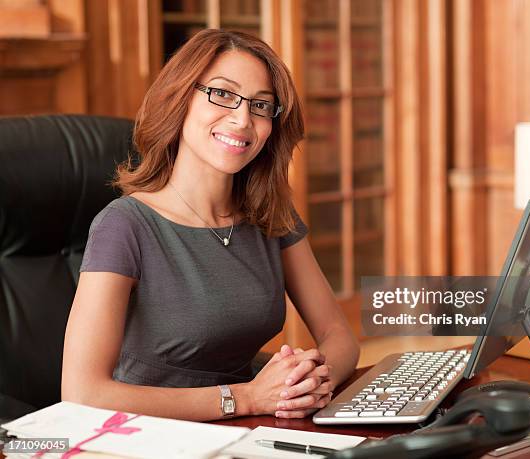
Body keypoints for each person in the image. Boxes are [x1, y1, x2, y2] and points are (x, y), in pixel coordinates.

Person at [61, 29, 360, 422]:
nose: (242, 120)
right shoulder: (124, 225)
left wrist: (312, 381)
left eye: (261, 105)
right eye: (222, 94)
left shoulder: (270, 214)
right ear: (181, 98)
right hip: (153, 436)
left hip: (251, 425)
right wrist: (247, 398)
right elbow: (82, 392)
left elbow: (339, 337)